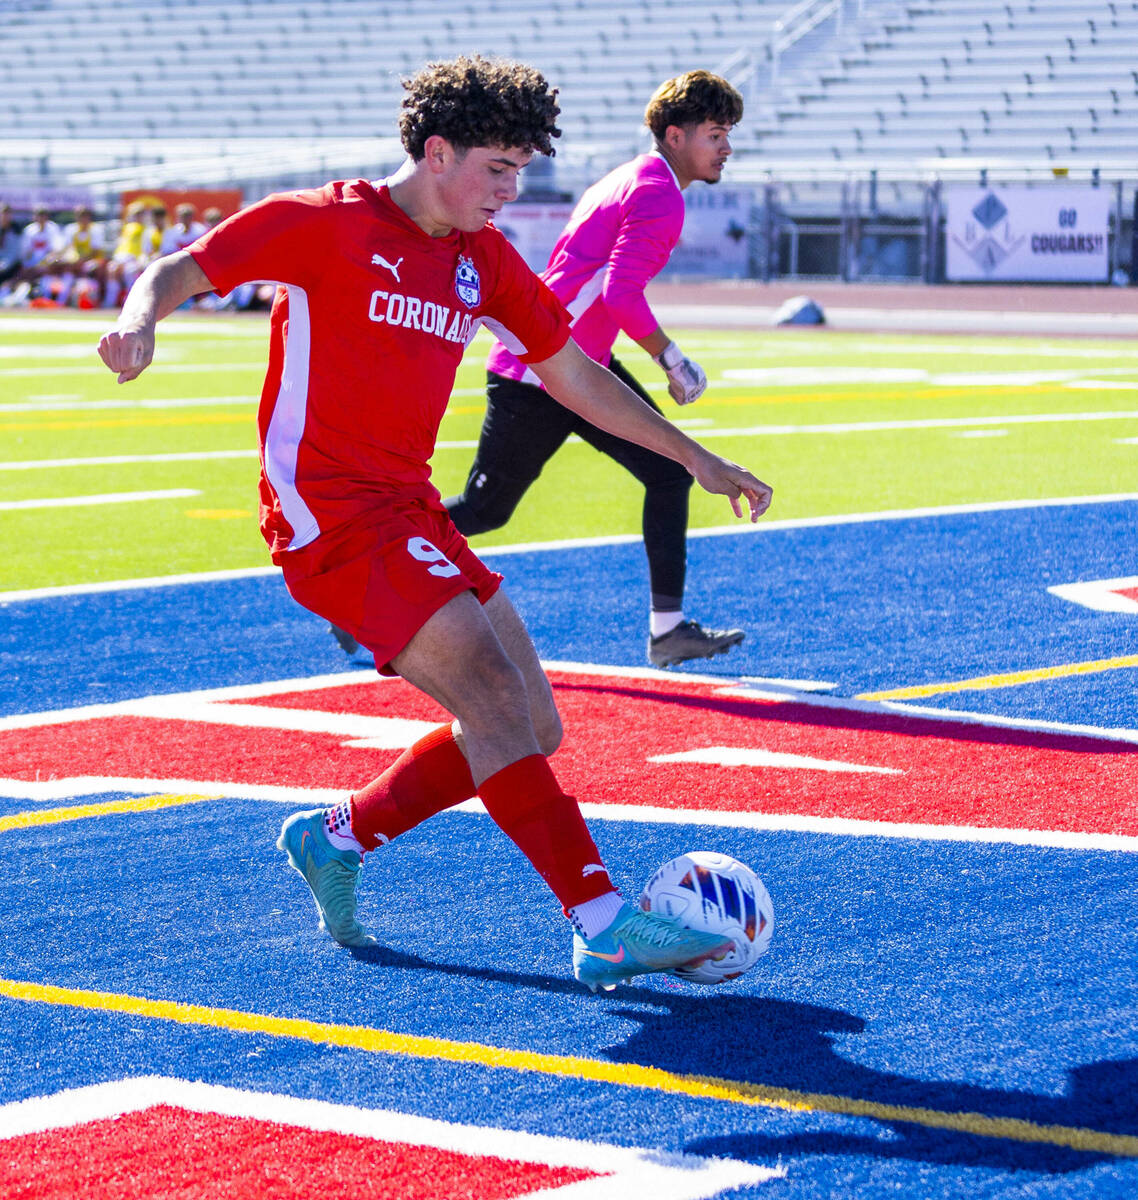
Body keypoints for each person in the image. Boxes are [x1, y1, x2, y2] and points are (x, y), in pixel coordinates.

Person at [97, 55, 772, 993]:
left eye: (522, 171)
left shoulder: (481, 258)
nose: (512, 192)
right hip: (327, 516)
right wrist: (139, 321)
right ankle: (602, 920)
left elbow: (572, 372)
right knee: (494, 699)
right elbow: (183, 268)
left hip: (407, 508)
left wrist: (692, 457)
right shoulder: (326, 224)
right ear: (438, 151)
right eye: (498, 170)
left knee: (532, 723)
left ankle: (336, 835)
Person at [443, 70, 747, 669]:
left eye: (729, 134)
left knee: (669, 473)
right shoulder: (659, 191)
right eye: (717, 133)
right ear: (677, 135)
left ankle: (668, 632)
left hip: (571, 361)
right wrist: (670, 356)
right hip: (543, 368)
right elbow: (621, 292)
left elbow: (600, 290)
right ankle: (374, 566)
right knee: (485, 511)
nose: (727, 148)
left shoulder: (635, 175)